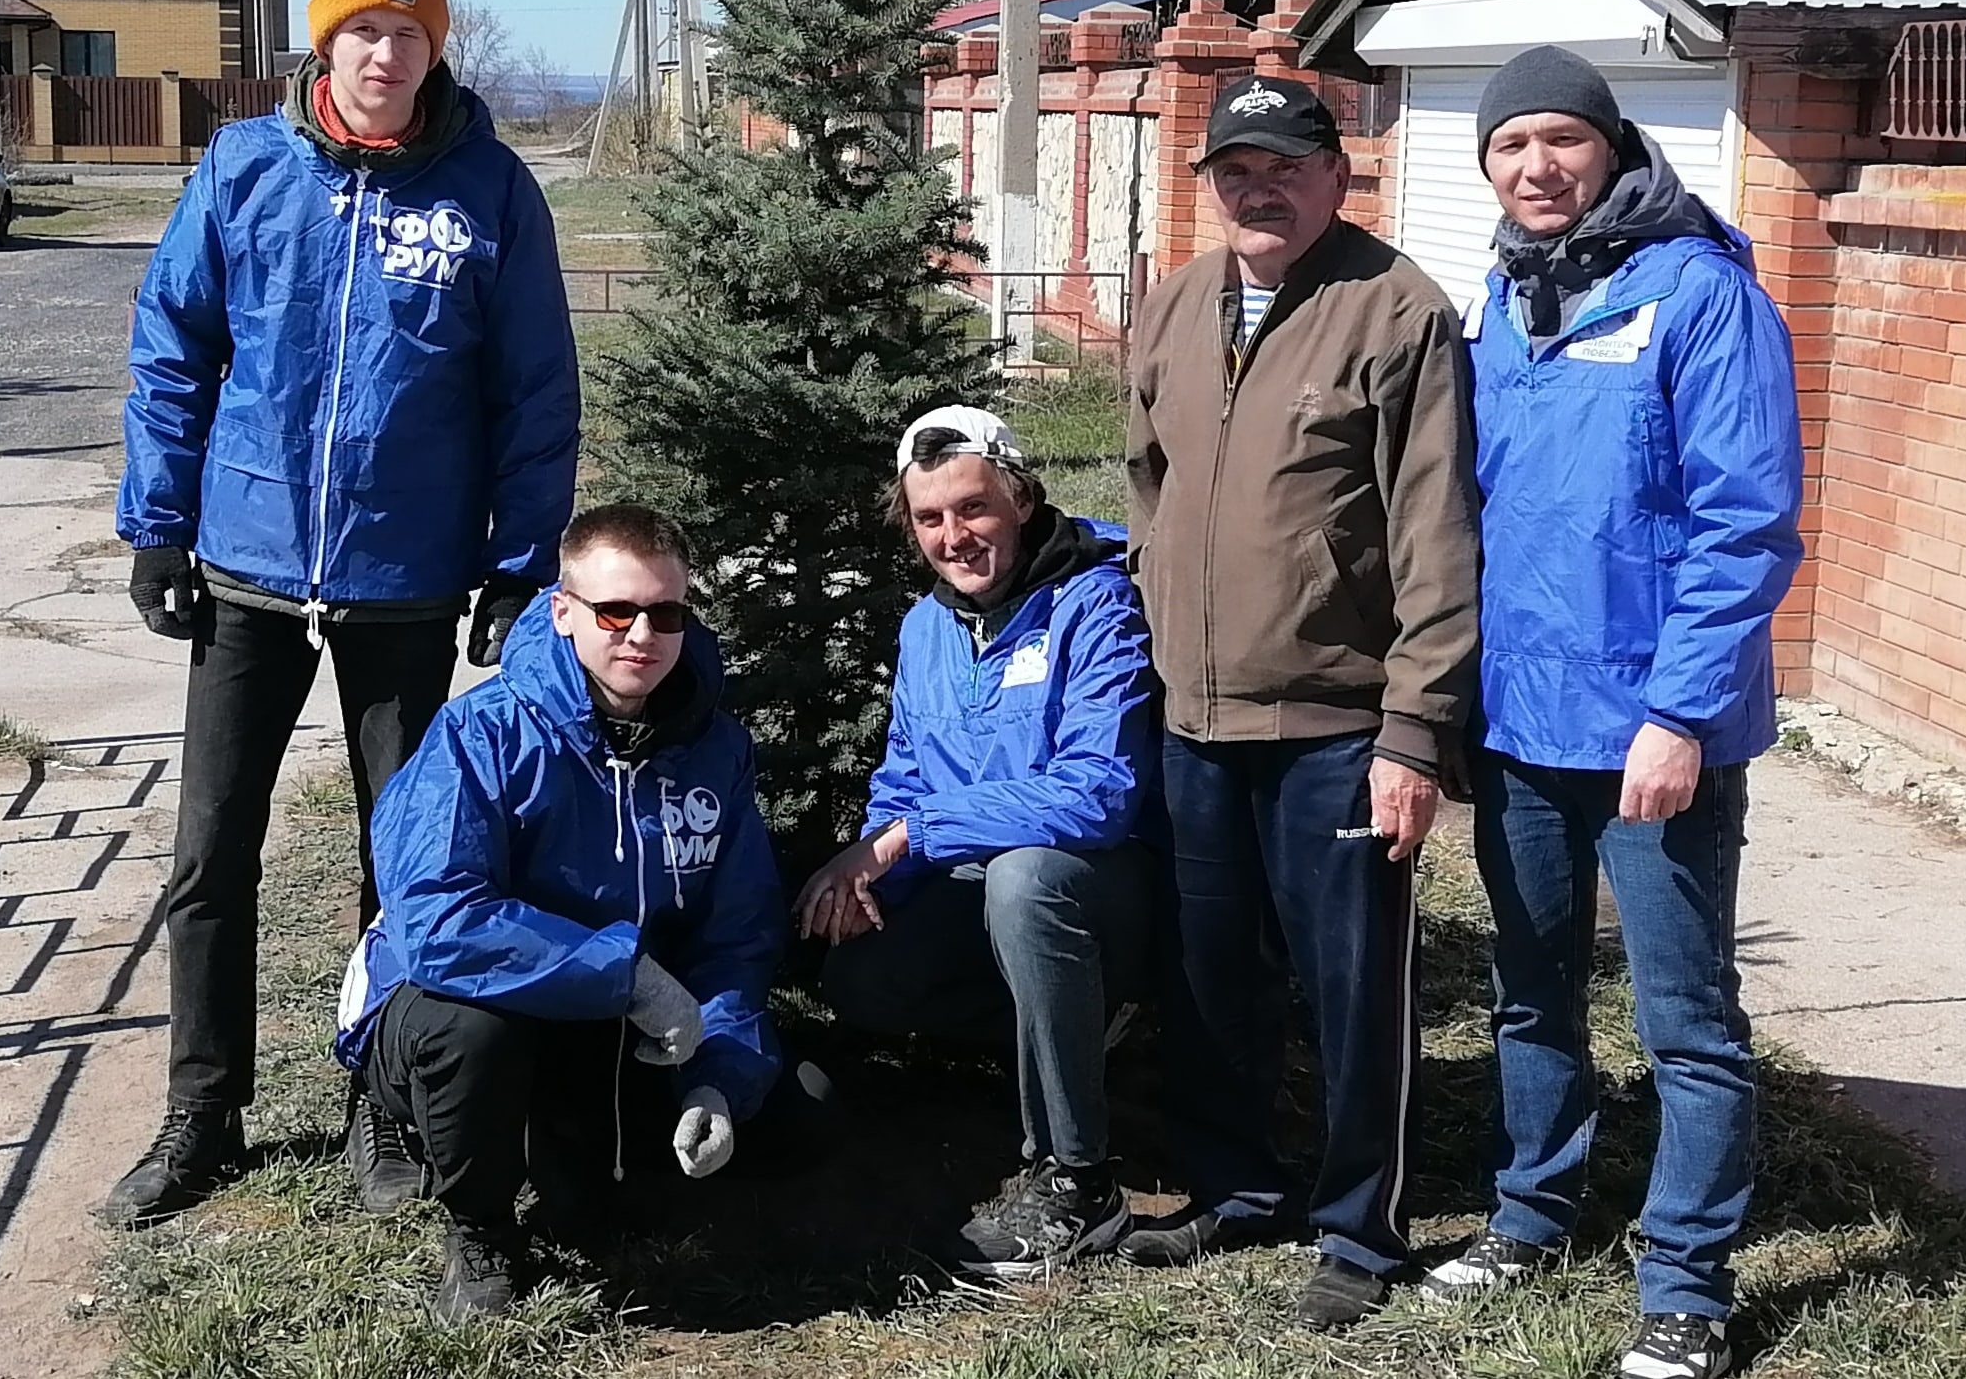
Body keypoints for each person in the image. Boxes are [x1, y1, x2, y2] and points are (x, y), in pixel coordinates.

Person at [103, 0, 581, 1227]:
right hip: (247, 573)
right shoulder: (247, 169)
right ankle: (202, 1109)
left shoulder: (486, 192)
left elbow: (534, 391)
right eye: (363, 28)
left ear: (437, 46)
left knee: (405, 859)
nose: (384, 52)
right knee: (211, 852)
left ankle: (384, 1101)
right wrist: (157, 522)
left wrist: (517, 560)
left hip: (406, 580)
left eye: (409, 31)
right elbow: (174, 342)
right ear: (326, 38)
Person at [1419, 47, 1802, 1379]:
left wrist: (1680, 715)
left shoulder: (1699, 293)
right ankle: (1532, 1213)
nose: (1536, 166)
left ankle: (1687, 1282)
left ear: (1610, 145)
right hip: (1521, 726)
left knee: (1683, 1018)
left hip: (1653, 733)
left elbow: (1743, 522)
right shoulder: (1502, 300)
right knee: (1529, 994)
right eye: (1509, 142)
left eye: (1560, 140)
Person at [1123, 75, 1481, 1327]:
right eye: (1233, 169)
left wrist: (1413, 730)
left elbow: (1438, 539)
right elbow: (1146, 480)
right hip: (1195, 718)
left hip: (1338, 728)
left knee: (1352, 986)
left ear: (1338, 175)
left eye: (1282, 165)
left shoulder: (1399, 312)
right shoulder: (1172, 303)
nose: (1255, 188)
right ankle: (1233, 1191)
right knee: (1209, 972)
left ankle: (1360, 1226)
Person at [336, 503, 793, 1325]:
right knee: (477, 1036)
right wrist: (625, 972)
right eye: (615, 611)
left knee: (808, 1118)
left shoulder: (716, 746)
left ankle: (577, 1142)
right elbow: (441, 924)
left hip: (609, 1013)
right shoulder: (481, 733)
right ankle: (476, 1225)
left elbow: (740, 933)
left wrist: (718, 1077)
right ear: (563, 611)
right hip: (451, 999)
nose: (642, 635)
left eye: (666, 612)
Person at [800, 407, 1154, 1281]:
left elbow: (1099, 793)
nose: (954, 538)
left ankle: (1077, 1176)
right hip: (974, 887)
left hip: (1100, 888)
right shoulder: (927, 628)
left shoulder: (1096, 602)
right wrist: (869, 873)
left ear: (1023, 499)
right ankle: (1072, 1041)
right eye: (930, 519)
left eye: (974, 509)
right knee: (864, 980)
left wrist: (916, 835)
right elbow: (907, 774)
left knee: (1025, 882)